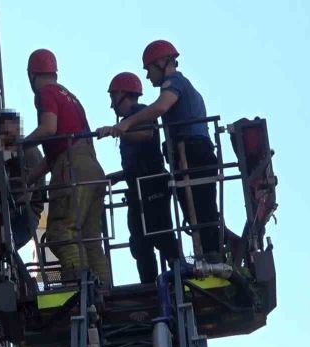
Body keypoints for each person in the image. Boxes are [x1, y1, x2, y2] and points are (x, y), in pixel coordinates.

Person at [98, 40, 221, 260]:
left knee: (197, 214)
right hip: (190, 155)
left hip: (191, 154)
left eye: (149, 70)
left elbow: (161, 107)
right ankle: (208, 257)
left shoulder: (173, 82)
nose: (148, 77)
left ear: (162, 63)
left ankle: (210, 259)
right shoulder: (182, 84)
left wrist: (124, 126)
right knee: (200, 214)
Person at [23, 49, 110, 285]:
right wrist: (28, 181)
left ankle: (79, 287)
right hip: (92, 168)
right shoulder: (71, 97)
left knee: (62, 232)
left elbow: (48, 129)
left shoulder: (45, 93)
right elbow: (55, 151)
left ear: (31, 75)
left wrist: (19, 146)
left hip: (72, 168)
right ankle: (103, 289)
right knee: (91, 237)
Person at [106, 72, 178, 283]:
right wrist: (119, 176)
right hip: (138, 186)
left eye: (112, 98)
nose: (112, 105)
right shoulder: (131, 119)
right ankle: (151, 284)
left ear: (122, 94)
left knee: (161, 235)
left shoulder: (140, 113)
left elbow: (147, 134)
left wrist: (117, 131)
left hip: (151, 184)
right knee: (139, 240)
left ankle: (175, 278)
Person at [0, 110, 45, 250]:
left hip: (25, 214)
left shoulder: (29, 152)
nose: (5, 140)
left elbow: (28, 192)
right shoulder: (10, 152)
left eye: (9, 135)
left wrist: (7, 213)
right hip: (12, 211)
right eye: (2, 135)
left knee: (2, 247)